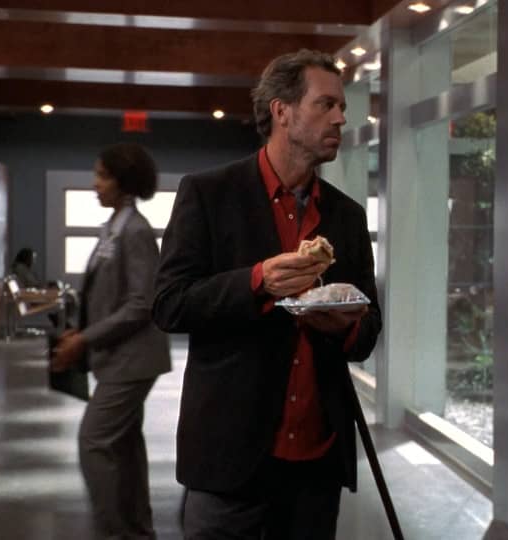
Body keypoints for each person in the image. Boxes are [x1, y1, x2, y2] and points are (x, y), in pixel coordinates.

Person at [152, 49, 382, 539]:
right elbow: (170, 303)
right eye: (326, 104)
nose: (341, 118)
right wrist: (258, 281)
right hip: (229, 459)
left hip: (316, 466)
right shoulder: (208, 194)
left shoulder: (347, 216)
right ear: (282, 111)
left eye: (342, 106)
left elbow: (367, 332)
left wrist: (342, 325)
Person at [53, 142, 172, 539]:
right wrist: (79, 328)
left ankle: (115, 532)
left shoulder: (134, 231)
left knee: (95, 441)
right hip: (117, 357)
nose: (95, 184)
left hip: (132, 360)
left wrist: (85, 339)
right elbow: (105, 294)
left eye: (102, 176)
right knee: (124, 447)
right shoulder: (115, 227)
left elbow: (142, 303)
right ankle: (136, 531)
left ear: (124, 183)